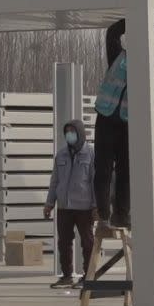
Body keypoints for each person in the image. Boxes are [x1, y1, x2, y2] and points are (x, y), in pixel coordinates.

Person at [93, 18, 154, 229]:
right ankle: (103, 213)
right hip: (106, 117)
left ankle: (122, 214)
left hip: (128, 122)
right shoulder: (117, 57)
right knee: (103, 168)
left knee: (125, 170)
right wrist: (133, 18)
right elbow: (112, 32)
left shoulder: (150, 62)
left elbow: (153, 67)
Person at [44, 119, 95, 288]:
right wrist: (49, 203)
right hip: (64, 207)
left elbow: (96, 182)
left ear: (80, 133)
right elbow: (55, 181)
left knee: (87, 242)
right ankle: (67, 276)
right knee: (64, 242)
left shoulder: (91, 154)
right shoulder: (61, 155)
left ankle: (88, 277)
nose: (69, 135)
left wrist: (96, 206)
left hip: (84, 207)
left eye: (73, 131)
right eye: (67, 132)